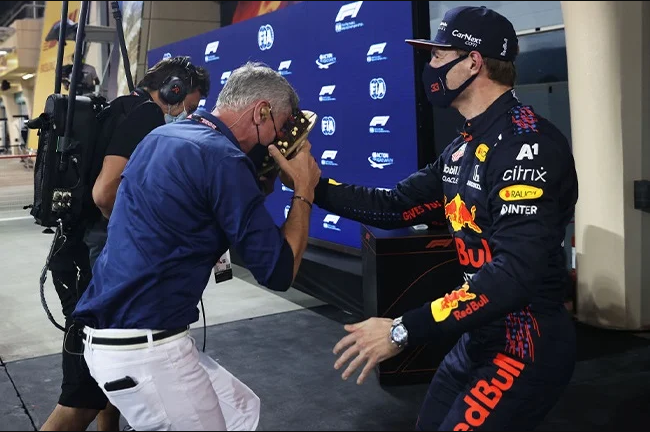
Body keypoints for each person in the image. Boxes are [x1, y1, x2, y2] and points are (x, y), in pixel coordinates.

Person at [309, 6, 579, 431]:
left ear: (473, 62)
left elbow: (513, 274)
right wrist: (312, 185)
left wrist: (402, 330)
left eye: (437, 55)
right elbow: (396, 205)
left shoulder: (527, 146)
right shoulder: (464, 145)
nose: (429, 66)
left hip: (524, 342)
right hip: (477, 336)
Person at [70, 61, 321, 431]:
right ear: (261, 112)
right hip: (147, 349)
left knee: (241, 411)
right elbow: (279, 271)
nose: (277, 141)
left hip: (111, 337)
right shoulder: (223, 159)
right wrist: (303, 189)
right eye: (279, 127)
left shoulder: (162, 136)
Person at [40, 55, 210, 432]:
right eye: (190, 104)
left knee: (109, 380)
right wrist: (144, 228)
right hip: (90, 262)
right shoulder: (146, 114)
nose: (188, 114)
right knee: (81, 398)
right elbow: (105, 194)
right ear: (174, 89)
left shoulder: (122, 107)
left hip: (75, 252)